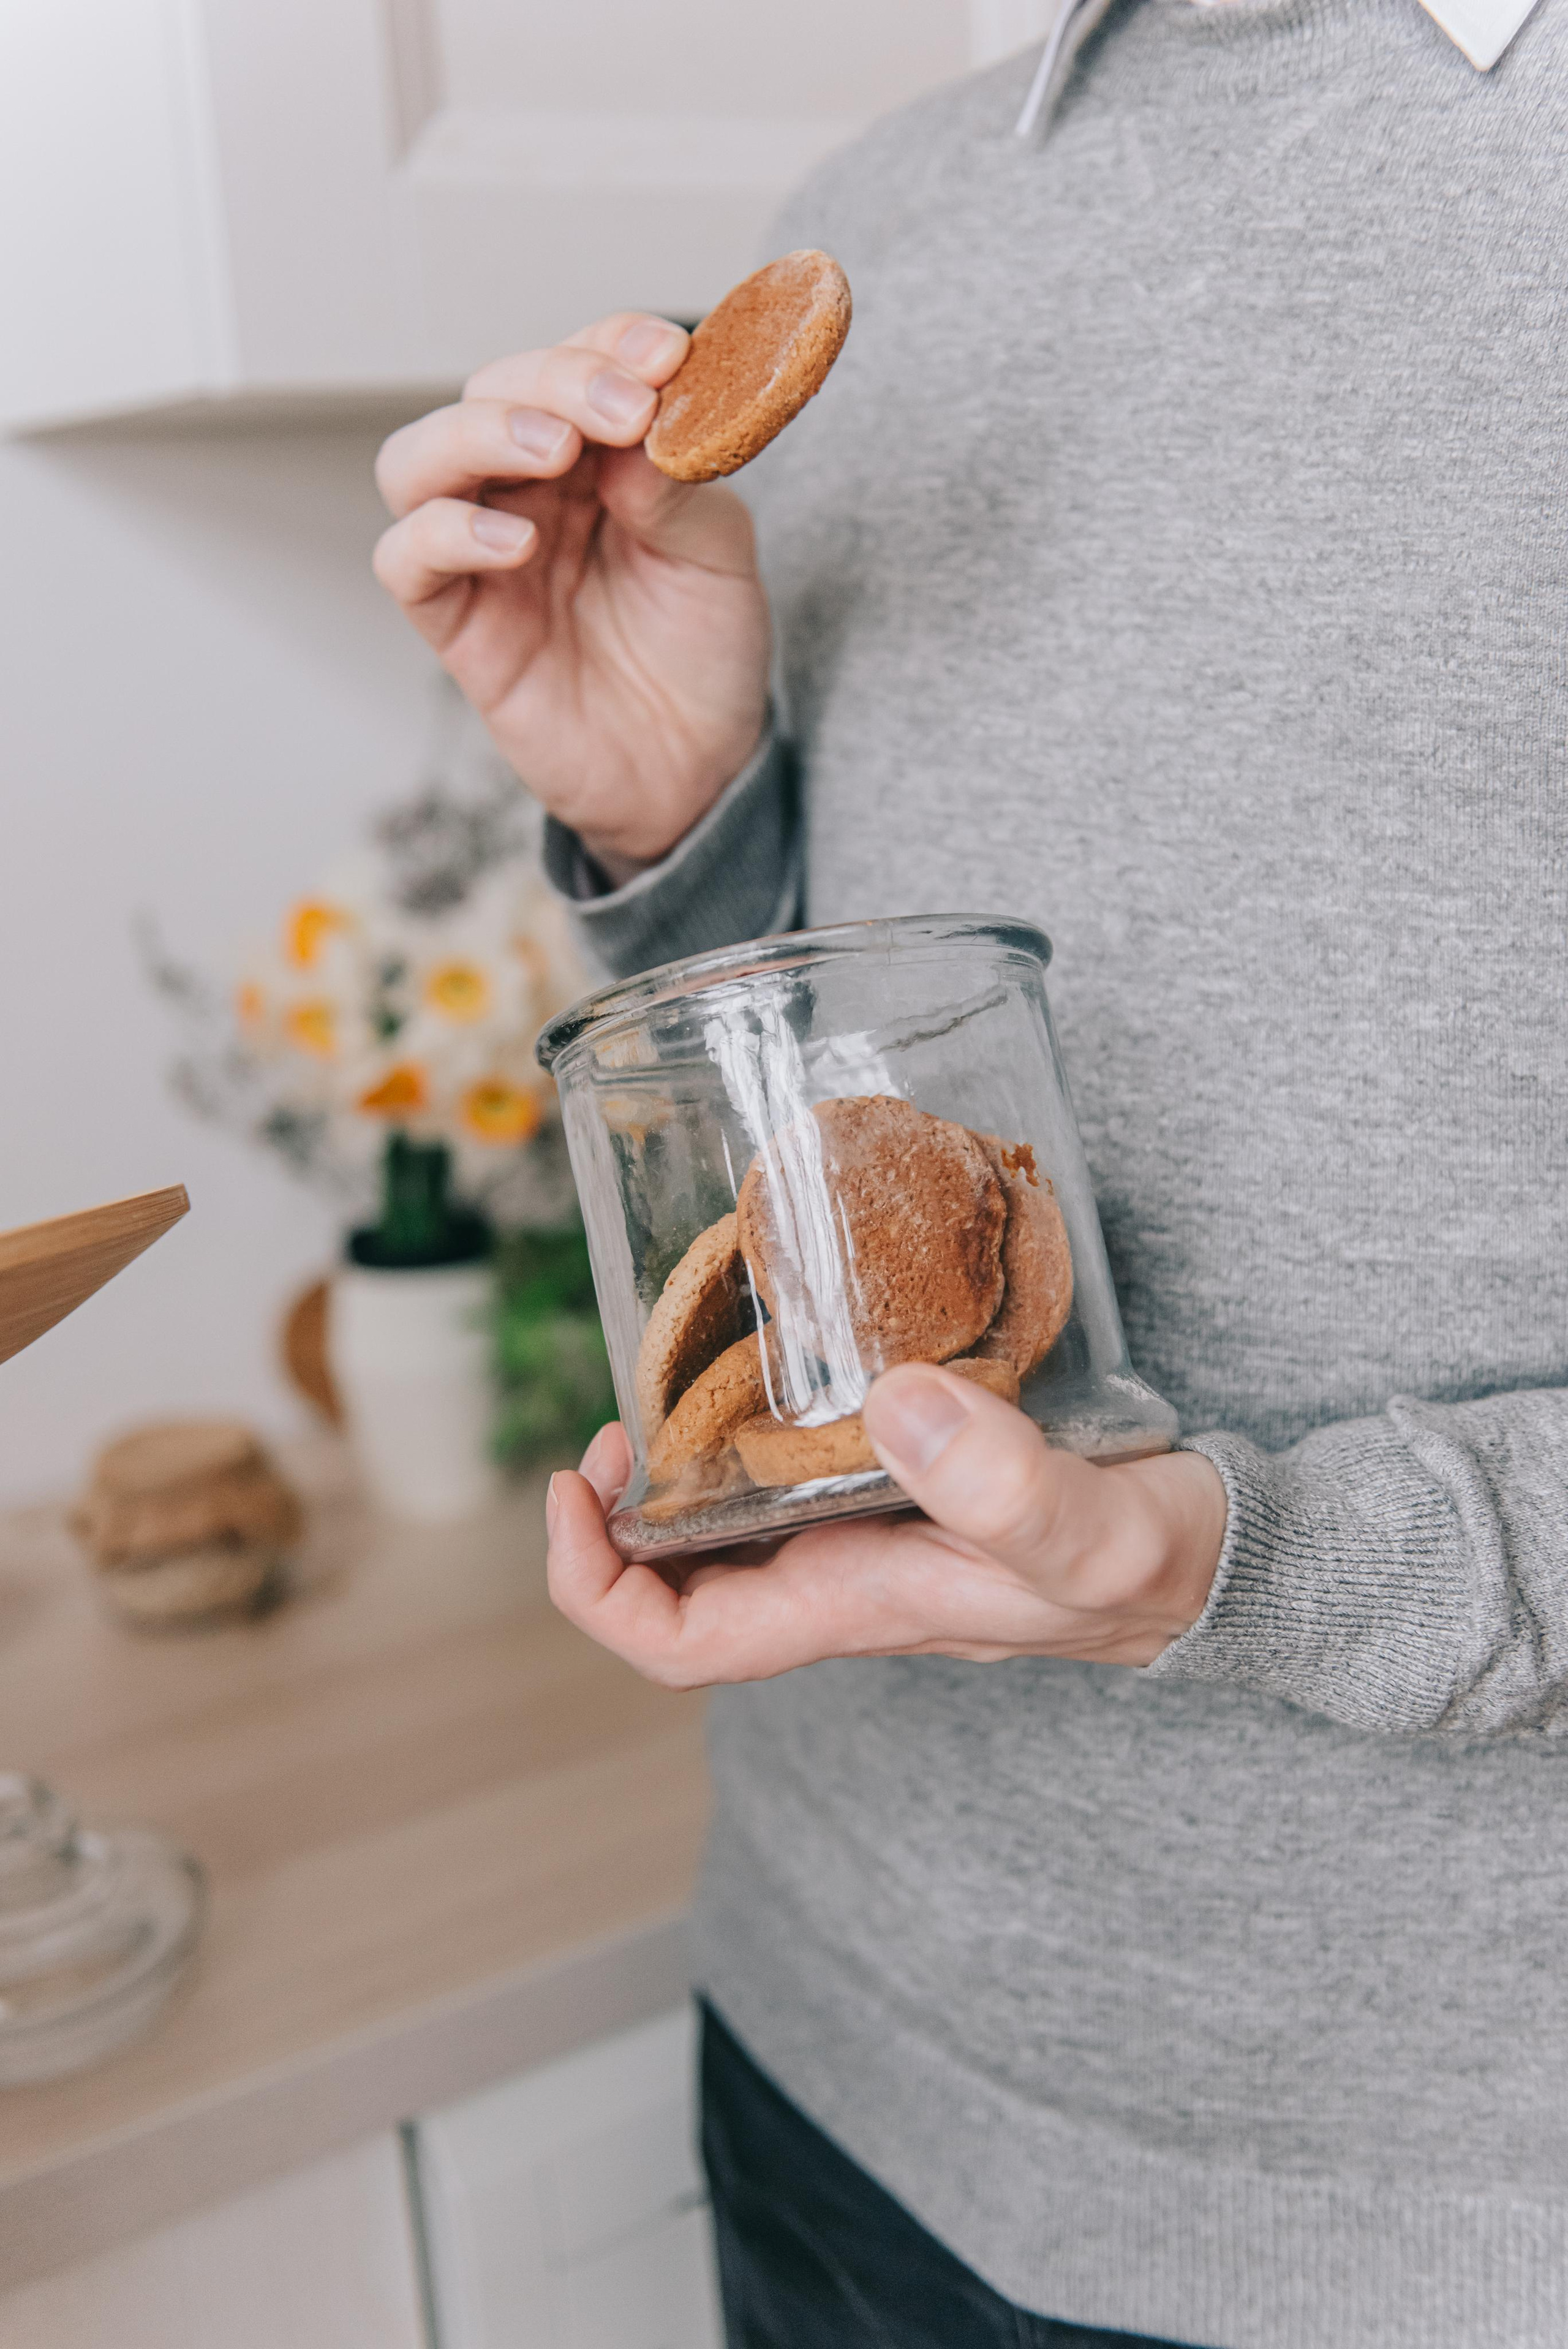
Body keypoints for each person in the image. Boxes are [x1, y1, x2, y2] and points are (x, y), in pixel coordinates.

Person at [374, 2, 1568, 2340]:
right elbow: (860, 1160)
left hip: (1443, 2227)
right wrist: (677, 821)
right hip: (835, 2062)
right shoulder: (878, 220)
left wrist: (1243, 1563)